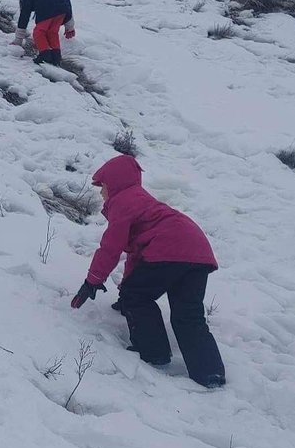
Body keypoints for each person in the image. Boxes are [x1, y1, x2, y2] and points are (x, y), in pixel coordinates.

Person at [70, 155, 226, 388]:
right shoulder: (143, 201)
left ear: (113, 183)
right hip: (197, 251)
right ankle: (209, 372)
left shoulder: (123, 202)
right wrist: (126, 292)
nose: (101, 193)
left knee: (138, 296)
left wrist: (92, 281)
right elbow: (137, 256)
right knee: (189, 316)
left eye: (102, 187)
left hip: (169, 248)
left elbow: (111, 247)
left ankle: (154, 352)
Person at [11, 0, 75, 65]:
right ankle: (56, 56)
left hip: (47, 7)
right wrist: (70, 26)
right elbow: (66, 5)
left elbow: (24, 17)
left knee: (39, 32)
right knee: (52, 32)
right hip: (63, 8)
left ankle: (44, 54)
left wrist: (18, 39)